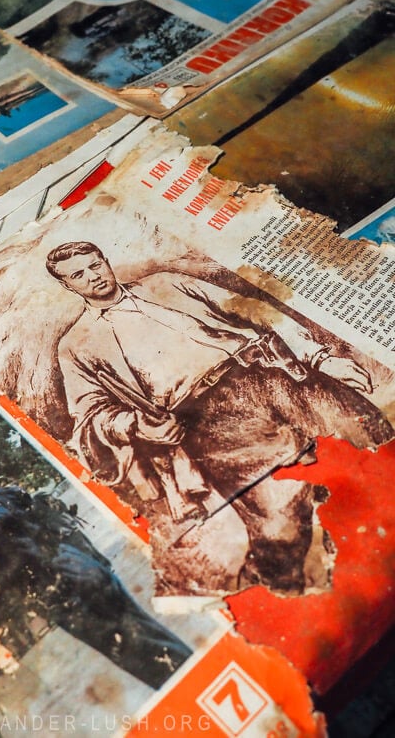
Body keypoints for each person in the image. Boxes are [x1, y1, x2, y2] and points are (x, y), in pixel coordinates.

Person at [45, 241, 393, 590]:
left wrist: (317, 356)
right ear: (66, 286)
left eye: (95, 265)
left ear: (105, 259)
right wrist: (135, 425)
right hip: (206, 425)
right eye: (78, 275)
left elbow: (252, 311)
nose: (93, 277)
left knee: (365, 428)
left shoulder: (165, 283)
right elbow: (90, 413)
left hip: (267, 375)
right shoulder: (77, 346)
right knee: (280, 522)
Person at [0, 462, 192, 689]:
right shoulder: (5, 495)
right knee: (149, 633)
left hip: (68, 591)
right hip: (85, 566)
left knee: (138, 658)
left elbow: (21, 563)